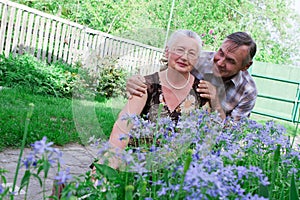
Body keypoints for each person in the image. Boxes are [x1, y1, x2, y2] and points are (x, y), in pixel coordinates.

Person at [92, 29, 210, 170]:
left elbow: (205, 135)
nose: (184, 57)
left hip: (174, 170)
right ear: (167, 52)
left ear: (196, 60)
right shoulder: (145, 85)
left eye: (191, 53)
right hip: (137, 163)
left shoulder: (202, 92)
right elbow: (122, 128)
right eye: (180, 50)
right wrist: (108, 166)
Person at [126, 31, 257, 121]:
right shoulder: (196, 59)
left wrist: (216, 101)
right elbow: (162, 80)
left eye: (230, 60)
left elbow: (231, 135)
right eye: (221, 53)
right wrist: (138, 82)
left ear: (245, 66)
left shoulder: (247, 91)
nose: (220, 62)